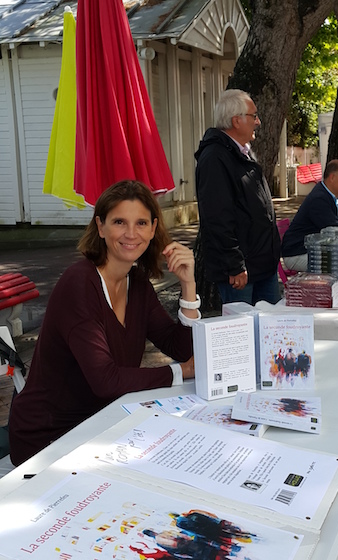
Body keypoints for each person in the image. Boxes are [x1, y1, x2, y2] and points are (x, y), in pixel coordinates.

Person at [8, 180, 198, 466]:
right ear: (100, 226)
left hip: (103, 421)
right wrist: (181, 371)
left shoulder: (137, 282)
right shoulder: (80, 284)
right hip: (50, 437)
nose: (131, 233)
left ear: (154, 228)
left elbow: (180, 347)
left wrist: (188, 286)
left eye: (142, 223)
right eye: (120, 221)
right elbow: (106, 380)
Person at [195, 89, 281, 305]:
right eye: (254, 116)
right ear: (236, 121)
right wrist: (234, 264)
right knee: (244, 334)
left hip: (261, 265)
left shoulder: (240, 152)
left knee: (271, 332)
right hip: (241, 271)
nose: (258, 122)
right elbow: (217, 218)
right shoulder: (215, 158)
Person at [281, 159, 338, 271]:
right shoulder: (319, 199)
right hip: (297, 253)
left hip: (315, 250)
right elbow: (335, 232)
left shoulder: (336, 198)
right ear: (332, 178)